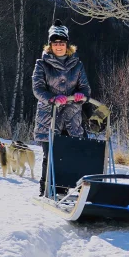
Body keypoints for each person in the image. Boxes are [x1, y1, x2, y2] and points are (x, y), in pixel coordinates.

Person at [33, 19, 91, 197]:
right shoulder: (41, 64)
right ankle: (47, 191)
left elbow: (85, 88)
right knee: (50, 155)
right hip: (49, 116)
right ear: (50, 45)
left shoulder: (77, 65)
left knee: (73, 154)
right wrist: (52, 98)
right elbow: (37, 89)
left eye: (62, 43)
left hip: (72, 117)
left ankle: (67, 190)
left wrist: (82, 96)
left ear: (67, 45)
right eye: (55, 43)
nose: (59, 46)